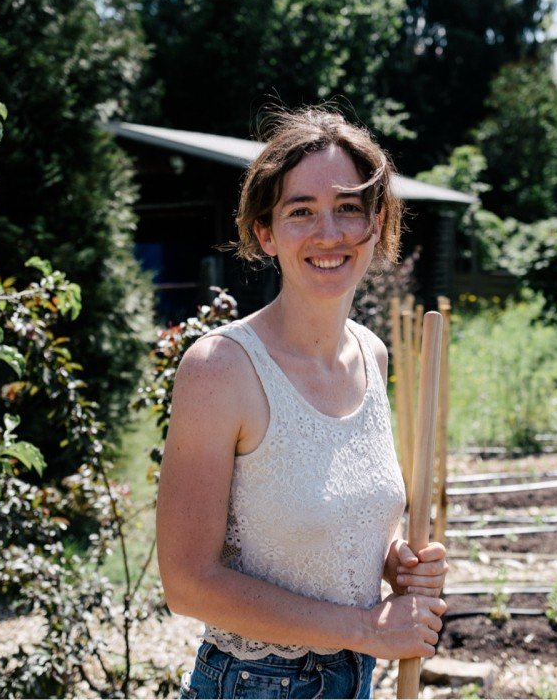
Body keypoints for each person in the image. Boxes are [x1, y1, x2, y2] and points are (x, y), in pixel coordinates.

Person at [156, 107, 448, 700]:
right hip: (252, 685)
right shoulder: (221, 369)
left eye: (348, 208)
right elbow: (187, 584)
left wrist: (393, 561)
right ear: (266, 232)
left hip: (355, 677)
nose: (329, 233)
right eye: (300, 212)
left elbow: (316, 522)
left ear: (377, 221)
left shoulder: (372, 354)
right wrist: (367, 626)